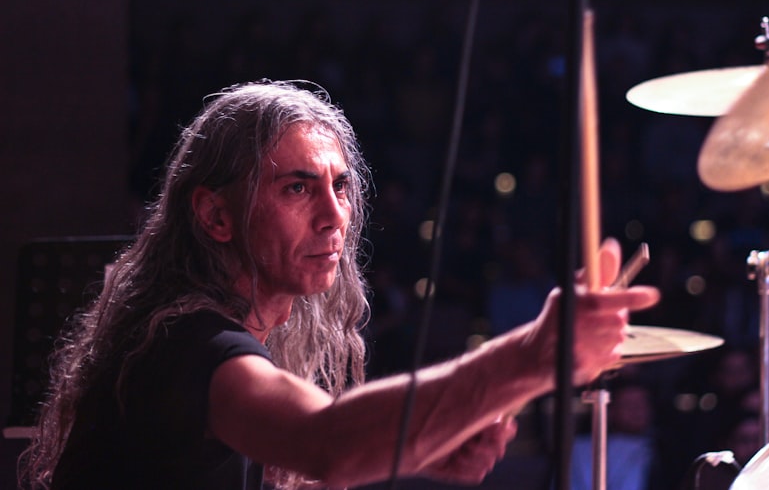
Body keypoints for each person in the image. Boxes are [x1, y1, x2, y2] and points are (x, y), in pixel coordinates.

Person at [20, 79, 659, 490]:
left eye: (341, 186)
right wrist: (531, 356)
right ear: (215, 215)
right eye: (297, 187)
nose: (334, 216)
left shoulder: (229, 333)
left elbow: (301, 454)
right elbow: (327, 443)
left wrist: (418, 448)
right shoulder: (190, 345)